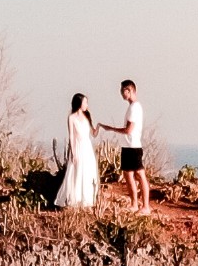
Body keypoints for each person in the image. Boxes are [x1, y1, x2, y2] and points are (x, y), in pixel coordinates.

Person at [102, 79, 149, 210]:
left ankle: (145, 206)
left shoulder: (135, 107)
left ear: (130, 90)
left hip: (133, 146)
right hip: (128, 146)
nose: (122, 94)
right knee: (128, 175)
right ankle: (134, 204)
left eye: (123, 91)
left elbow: (129, 130)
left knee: (139, 175)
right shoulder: (132, 107)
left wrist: (111, 129)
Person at [54, 93, 99, 209]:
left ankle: (88, 200)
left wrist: (98, 127)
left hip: (87, 147)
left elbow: (93, 134)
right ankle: (75, 199)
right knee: (77, 172)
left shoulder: (87, 116)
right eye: (85, 102)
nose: (87, 105)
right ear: (79, 103)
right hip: (78, 147)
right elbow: (72, 137)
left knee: (88, 172)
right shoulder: (72, 118)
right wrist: (73, 153)